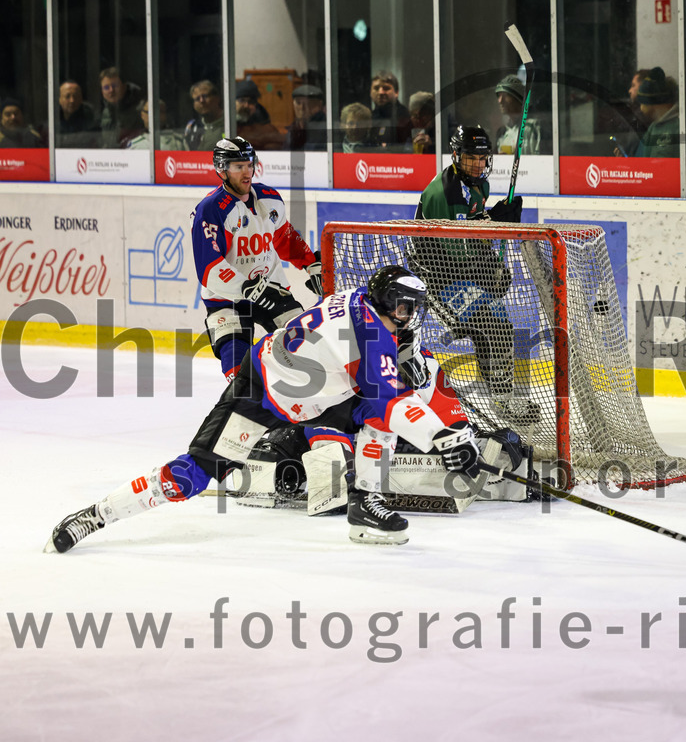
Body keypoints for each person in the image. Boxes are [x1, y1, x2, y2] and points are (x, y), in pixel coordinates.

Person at [44, 265, 484, 551]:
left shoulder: (361, 304)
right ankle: (96, 515)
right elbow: (392, 398)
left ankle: (365, 503)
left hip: (311, 394)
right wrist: (442, 436)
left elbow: (389, 389)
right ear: (388, 306)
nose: (411, 317)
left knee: (377, 407)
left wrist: (442, 422)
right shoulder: (369, 331)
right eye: (406, 309)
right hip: (258, 394)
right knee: (193, 475)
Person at [412, 125, 538, 425]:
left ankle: (501, 398)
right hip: (438, 278)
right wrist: (494, 222)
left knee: (499, 330)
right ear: (456, 156)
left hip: (463, 269)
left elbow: (474, 234)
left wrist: (493, 260)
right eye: (471, 158)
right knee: (492, 328)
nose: (479, 165)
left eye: (483, 158)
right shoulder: (445, 192)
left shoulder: (479, 185)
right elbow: (457, 249)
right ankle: (498, 400)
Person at [191, 137, 323, 382]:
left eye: (249, 165)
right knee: (239, 374)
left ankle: (301, 413)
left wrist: (310, 262)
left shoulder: (269, 198)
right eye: (238, 167)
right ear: (221, 169)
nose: (246, 172)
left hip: (271, 290)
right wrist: (244, 286)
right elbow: (208, 266)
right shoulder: (210, 209)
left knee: (306, 350)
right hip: (226, 300)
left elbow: (284, 238)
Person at [634, 67, 680, 158]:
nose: (641, 108)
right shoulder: (653, 128)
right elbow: (640, 160)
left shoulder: (680, 127)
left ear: (654, 103)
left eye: (643, 103)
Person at [494, 74, 542, 155]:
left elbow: (542, 162)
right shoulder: (502, 132)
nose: (500, 101)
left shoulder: (533, 127)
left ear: (518, 98)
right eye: (499, 96)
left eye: (505, 95)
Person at [97, 67, 144, 148]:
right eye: (106, 87)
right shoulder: (105, 111)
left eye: (115, 86)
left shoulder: (141, 107)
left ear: (124, 86)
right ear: (102, 91)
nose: (111, 90)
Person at [236, 79, 285, 151]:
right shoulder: (225, 123)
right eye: (242, 100)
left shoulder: (264, 126)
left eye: (251, 102)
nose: (246, 105)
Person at [369, 70, 412, 149]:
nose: (381, 92)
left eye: (386, 88)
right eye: (376, 88)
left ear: (396, 92)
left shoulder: (406, 117)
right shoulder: (368, 118)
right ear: (370, 92)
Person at [283, 84, 327, 151]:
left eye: (308, 103)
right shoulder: (294, 129)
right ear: (293, 105)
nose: (301, 107)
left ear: (319, 105)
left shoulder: (324, 129)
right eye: (298, 103)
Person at [184, 80, 225, 151]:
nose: (201, 101)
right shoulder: (193, 127)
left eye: (205, 96)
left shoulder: (229, 123)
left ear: (217, 98)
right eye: (197, 99)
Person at [55, 80, 98, 148]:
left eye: (75, 96)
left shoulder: (90, 123)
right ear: (59, 99)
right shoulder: (53, 121)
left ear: (81, 99)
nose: (72, 100)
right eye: (67, 96)